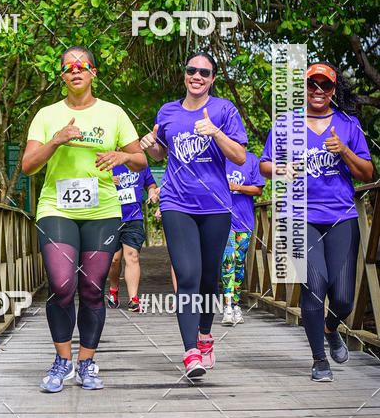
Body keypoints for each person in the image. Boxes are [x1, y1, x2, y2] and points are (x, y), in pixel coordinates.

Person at [22, 46, 146, 392]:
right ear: (62, 75)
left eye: (83, 65)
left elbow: (140, 160)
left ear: (93, 73)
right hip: (57, 208)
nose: (75, 71)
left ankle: (86, 362)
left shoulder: (114, 113)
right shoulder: (47, 115)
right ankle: (62, 361)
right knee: (62, 284)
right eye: (68, 67)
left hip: (102, 210)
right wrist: (57, 140)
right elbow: (28, 166)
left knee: (92, 288)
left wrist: (122, 156)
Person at [260, 62, 373, 382]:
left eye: (325, 85)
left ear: (334, 90)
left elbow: (367, 173)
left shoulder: (348, 124)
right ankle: (319, 359)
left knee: (344, 298)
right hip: (298, 216)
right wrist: (281, 170)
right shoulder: (286, 124)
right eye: (312, 84)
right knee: (314, 285)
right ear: (304, 89)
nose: (318, 90)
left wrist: (344, 151)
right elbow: (264, 165)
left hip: (341, 216)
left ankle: (330, 328)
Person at [140, 52, 247, 378]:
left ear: (212, 78)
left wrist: (215, 132)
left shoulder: (224, 109)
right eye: (192, 70)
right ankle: (190, 353)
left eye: (204, 72)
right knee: (187, 275)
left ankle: (204, 335)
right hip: (177, 203)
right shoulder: (168, 111)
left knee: (208, 278)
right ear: (185, 74)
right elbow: (161, 152)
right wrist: (150, 145)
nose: (197, 76)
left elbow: (240, 157)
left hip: (215, 206)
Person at [107, 156, 158, 311]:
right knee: (114, 259)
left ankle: (133, 298)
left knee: (132, 256)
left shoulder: (139, 162)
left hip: (134, 217)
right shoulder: (107, 161)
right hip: (111, 216)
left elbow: (151, 184)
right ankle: (113, 290)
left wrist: (152, 193)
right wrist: (107, 181)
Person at [221, 151, 265, 326]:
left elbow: (258, 190)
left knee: (239, 264)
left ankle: (236, 304)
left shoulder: (252, 159)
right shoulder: (220, 156)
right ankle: (227, 306)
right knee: (228, 261)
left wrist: (236, 187)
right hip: (224, 219)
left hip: (244, 220)